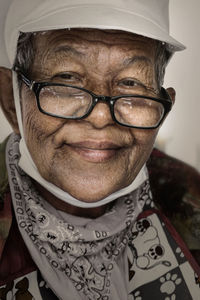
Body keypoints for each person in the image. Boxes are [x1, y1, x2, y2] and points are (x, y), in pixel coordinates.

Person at [0, 0, 200, 299]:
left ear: (164, 106)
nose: (101, 117)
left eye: (131, 83)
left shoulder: (189, 192)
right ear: (10, 100)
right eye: (65, 79)